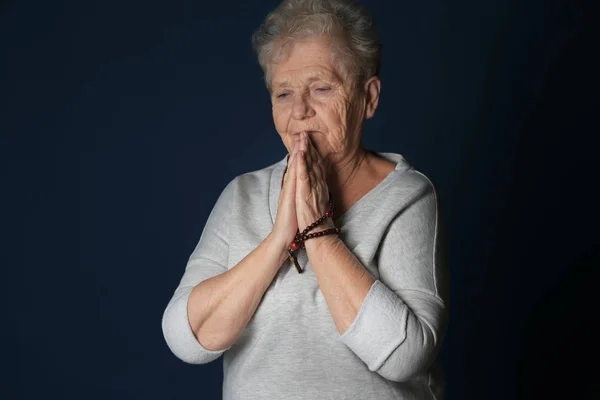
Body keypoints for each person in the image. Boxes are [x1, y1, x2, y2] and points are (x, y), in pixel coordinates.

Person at [161, 0, 449, 398]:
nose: (299, 110)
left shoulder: (407, 196)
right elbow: (187, 338)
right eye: (283, 93)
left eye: (321, 88)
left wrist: (318, 231)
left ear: (368, 98)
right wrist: (280, 238)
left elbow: (405, 354)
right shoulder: (241, 196)